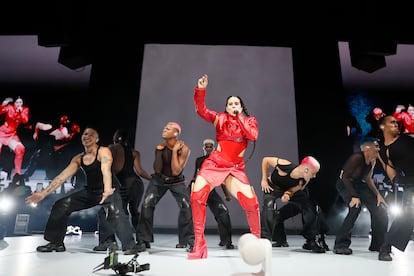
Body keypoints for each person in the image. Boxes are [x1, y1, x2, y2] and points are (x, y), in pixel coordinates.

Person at [24, 126, 139, 254]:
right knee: (61, 205)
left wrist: (107, 190)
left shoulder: (103, 151)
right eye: (85, 134)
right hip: (91, 192)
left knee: (116, 213)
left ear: (97, 139)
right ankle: (56, 243)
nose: (87, 136)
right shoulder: (78, 158)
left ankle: (130, 246)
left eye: (91, 135)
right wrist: (43, 194)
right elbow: (62, 177)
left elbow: (106, 170)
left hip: (109, 190)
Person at [188, 74, 260, 260]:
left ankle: (257, 244)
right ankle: (199, 245)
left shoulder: (250, 121)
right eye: (230, 104)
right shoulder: (219, 118)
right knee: (197, 197)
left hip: (235, 168)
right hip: (214, 164)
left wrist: (240, 118)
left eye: (237, 103)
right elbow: (201, 110)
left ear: (241, 107)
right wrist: (201, 90)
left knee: (251, 203)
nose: (233, 106)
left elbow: (252, 136)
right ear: (226, 107)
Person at [136, 122, 194, 252]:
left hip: (176, 181)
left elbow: (175, 171)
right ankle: (143, 240)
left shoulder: (184, 149)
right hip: (159, 180)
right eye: (164, 128)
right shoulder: (160, 147)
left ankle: (188, 240)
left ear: (175, 133)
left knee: (186, 205)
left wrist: (174, 151)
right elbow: (157, 169)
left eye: (167, 128)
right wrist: (159, 151)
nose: (164, 130)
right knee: (147, 204)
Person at [94, 129, 152, 251]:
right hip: (136, 183)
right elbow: (140, 171)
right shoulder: (134, 152)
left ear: (115, 137)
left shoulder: (110, 149)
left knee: (110, 211)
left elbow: (112, 169)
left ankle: (109, 241)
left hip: (123, 183)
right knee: (134, 211)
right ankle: (143, 240)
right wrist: (153, 179)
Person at [333, 137, 388, 255]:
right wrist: (354, 196)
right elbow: (344, 177)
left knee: (379, 208)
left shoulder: (372, 161)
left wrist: (378, 195)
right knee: (355, 208)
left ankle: (378, 244)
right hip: (345, 184)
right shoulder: (357, 158)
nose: (378, 149)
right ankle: (340, 245)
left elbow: (368, 179)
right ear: (366, 149)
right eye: (376, 146)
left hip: (358, 184)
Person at [260, 155, 326, 253]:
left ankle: (311, 241)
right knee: (269, 205)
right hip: (273, 187)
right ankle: (265, 240)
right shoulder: (284, 165)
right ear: (306, 170)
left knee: (309, 206)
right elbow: (266, 160)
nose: (314, 176)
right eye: (313, 173)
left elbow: (292, 190)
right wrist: (264, 179)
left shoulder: (304, 180)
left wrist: (288, 194)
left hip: (286, 189)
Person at [376, 115, 414, 261]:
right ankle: (386, 245)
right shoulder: (384, 151)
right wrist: (400, 181)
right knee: (408, 214)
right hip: (411, 181)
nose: (396, 125)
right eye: (392, 122)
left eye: (397, 123)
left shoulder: (407, 138)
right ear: (382, 127)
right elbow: (391, 171)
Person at [190, 138, 234, 249]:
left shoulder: (218, 161)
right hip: (199, 190)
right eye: (207, 146)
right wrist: (193, 188)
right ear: (204, 148)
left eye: (210, 146)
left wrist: (227, 194)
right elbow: (195, 176)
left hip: (211, 191)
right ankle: (192, 242)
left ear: (213, 148)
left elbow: (222, 178)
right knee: (192, 214)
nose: (208, 148)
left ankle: (226, 241)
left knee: (223, 212)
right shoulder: (199, 160)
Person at [23, 115, 81, 181]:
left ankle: (51, 176)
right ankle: (25, 175)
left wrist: (58, 147)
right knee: (36, 158)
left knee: (53, 162)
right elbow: (38, 124)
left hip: (53, 149)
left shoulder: (68, 136)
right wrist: (35, 133)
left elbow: (62, 144)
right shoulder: (50, 128)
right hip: (45, 146)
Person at [0, 97, 29, 179]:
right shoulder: (9, 107)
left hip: (12, 134)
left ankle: (17, 174)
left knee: (20, 149)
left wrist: (20, 112)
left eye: (20, 102)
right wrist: (3, 104)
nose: (19, 104)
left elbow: (25, 120)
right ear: (14, 103)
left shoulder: (25, 109)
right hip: (1, 132)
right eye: (17, 102)